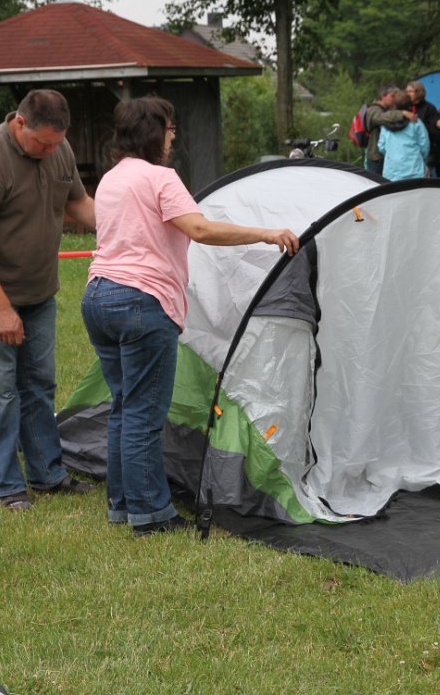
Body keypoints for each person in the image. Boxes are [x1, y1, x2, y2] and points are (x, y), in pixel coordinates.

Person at [83, 96, 298, 536]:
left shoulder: (110, 180)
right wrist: (266, 233)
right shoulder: (160, 177)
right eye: (169, 127)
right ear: (151, 132)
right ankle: (151, 515)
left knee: (123, 408)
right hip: (142, 301)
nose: (173, 135)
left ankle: (123, 505)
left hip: (98, 297)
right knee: (143, 413)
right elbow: (199, 229)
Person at [0, 89, 97, 511]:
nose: (50, 151)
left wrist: (121, 231)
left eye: (57, 143)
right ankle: (8, 487)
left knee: (39, 386)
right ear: (20, 123)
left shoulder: (58, 148)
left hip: (40, 292)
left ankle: (48, 475)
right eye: (43, 143)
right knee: (0, 392)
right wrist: (1, 308)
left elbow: (81, 206)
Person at [377, 91, 429, 181]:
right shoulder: (416, 122)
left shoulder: (385, 125)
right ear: (410, 105)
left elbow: (381, 146)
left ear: (393, 105)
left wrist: (392, 154)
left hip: (391, 172)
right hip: (414, 170)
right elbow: (424, 146)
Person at [364, 86, 411, 178]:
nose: (394, 99)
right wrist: (402, 114)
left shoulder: (387, 110)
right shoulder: (374, 109)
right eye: (392, 96)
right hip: (376, 156)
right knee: (375, 184)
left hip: (383, 155)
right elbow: (379, 118)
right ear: (382, 96)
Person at [406, 81, 440, 174]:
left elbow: (435, 130)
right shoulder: (406, 108)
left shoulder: (429, 108)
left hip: (427, 150)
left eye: (410, 91)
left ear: (418, 92)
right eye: (407, 91)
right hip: (410, 151)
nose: (407, 94)